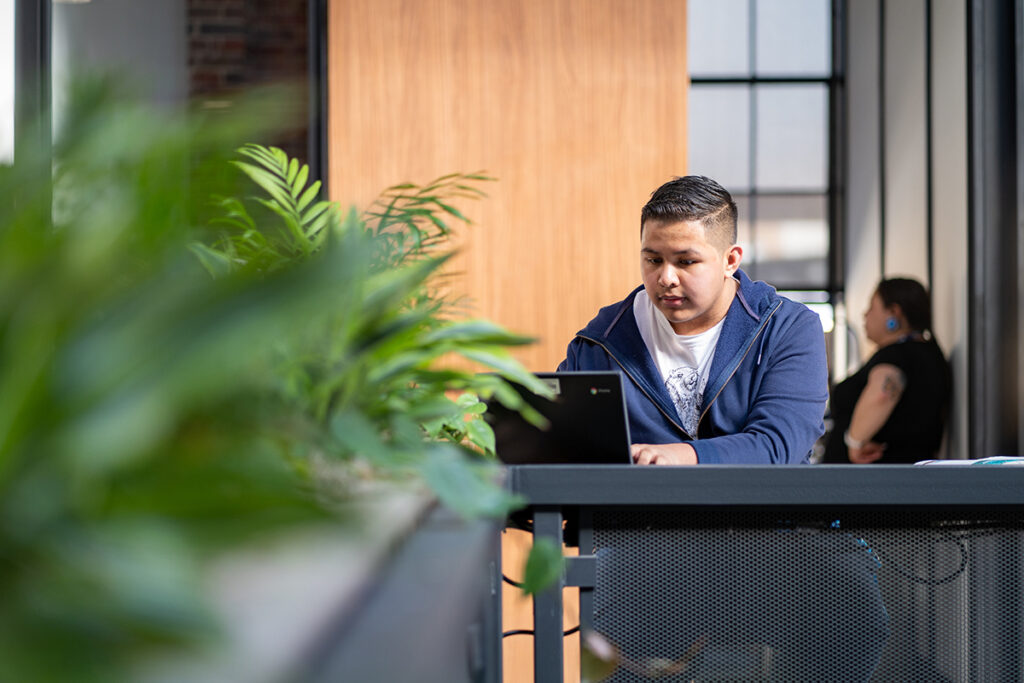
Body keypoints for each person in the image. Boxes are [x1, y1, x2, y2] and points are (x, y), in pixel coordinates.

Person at [558, 175, 829, 465]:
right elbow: (559, 447)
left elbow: (778, 446)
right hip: (639, 510)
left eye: (686, 262)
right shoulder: (599, 343)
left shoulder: (786, 329)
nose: (666, 278)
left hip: (755, 510)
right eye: (653, 260)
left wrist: (682, 456)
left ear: (731, 261)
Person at [822, 278, 951, 464]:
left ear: (894, 312)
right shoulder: (927, 352)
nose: (865, 314)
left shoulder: (898, 354)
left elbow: (883, 393)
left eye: (872, 307)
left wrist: (855, 443)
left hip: (875, 481)